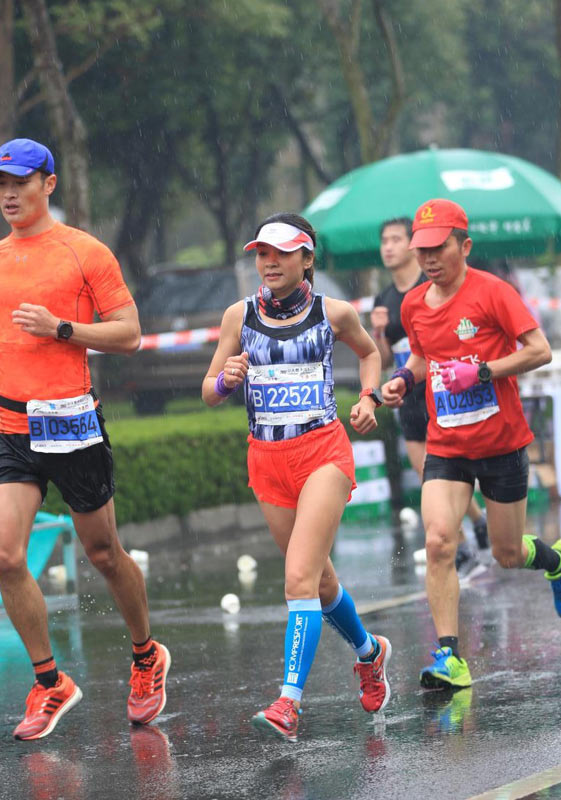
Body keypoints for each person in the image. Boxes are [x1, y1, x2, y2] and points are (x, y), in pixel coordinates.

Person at [0, 138, 170, 740]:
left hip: (71, 422)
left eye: (20, 183)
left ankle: (147, 655)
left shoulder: (84, 252)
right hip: (10, 428)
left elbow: (128, 334)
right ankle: (51, 684)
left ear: (48, 184)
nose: (9, 195)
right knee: (5, 555)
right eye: (1, 186)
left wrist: (62, 329)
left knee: (102, 553)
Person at [202, 212, 392, 741]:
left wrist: (369, 397)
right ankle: (369, 654)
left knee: (298, 581)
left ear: (307, 258)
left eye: (282, 253)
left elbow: (370, 353)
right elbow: (209, 389)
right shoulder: (237, 316)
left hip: (322, 453)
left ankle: (288, 703)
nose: (269, 263)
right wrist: (226, 378)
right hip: (266, 459)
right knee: (321, 581)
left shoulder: (334, 313)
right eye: (262, 253)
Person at [382, 198, 561, 690]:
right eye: (421, 250)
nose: (428, 259)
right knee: (438, 542)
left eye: (438, 248)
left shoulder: (494, 293)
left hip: (501, 443)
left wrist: (484, 370)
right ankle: (450, 657)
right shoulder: (412, 304)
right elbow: (424, 358)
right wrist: (403, 381)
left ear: (464, 246)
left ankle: (557, 561)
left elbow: (540, 350)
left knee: (507, 553)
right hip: (447, 444)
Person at [370, 217, 489, 580]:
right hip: (409, 398)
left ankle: (473, 531)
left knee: (450, 474)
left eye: (395, 239)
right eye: (384, 240)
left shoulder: (431, 285)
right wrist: (378, 331)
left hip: (444, 394)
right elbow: (384, 358)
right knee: (428, 475)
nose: (388, 247)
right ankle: (469, 533)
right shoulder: (384, 299)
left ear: (412, 246)